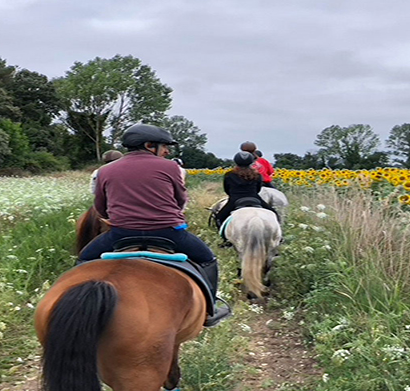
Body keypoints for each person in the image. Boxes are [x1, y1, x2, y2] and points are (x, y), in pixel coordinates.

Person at [80, 123, 231, 326]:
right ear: (150, 145)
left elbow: (100, 206)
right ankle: (210, 309)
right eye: (164, 146)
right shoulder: (171, 167)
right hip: (169, 233)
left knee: (84, 259)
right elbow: (180, 200)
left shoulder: (105, 170)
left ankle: (79, 303)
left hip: (121, 234)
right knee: (207, 259)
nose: (167, 151)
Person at [213, 151, 277, 230]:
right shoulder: (257, 175)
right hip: (255, 198)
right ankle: (279, 236)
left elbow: (227, 189)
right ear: (251, 162)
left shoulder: (229, 175)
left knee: (219, 217)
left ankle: (225, 239)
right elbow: (258, 189)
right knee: (274, 213)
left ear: (236, 162)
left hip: (235, 200)